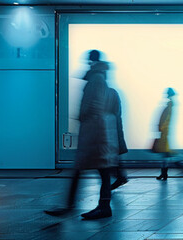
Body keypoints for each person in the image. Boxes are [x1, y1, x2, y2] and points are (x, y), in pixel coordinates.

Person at [45, 50, 118, 220]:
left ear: (92, 61)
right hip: (98, 132)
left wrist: (82, 117)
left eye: (89, 61)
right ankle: (101, 205)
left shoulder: (96, 79)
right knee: (102, 171)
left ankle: (73, 206)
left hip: (95, 133)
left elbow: (94, 106)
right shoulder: (100, 77)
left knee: (86, 170)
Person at [154, 88, 177, 181]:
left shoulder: (169, 104)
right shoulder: (170, 104)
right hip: (164, 132)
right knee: (165, 154)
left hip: (164, 133)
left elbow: (166, 118)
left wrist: (161, 128)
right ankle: (164, 174)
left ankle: (165, 173)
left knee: (166, 154)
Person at [109, 87, 129, 189]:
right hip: (114, 131)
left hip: (110, 132)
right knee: (114, 157)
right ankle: (120, 177)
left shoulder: (109, 94)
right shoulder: (113, 94)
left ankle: (120, 177)